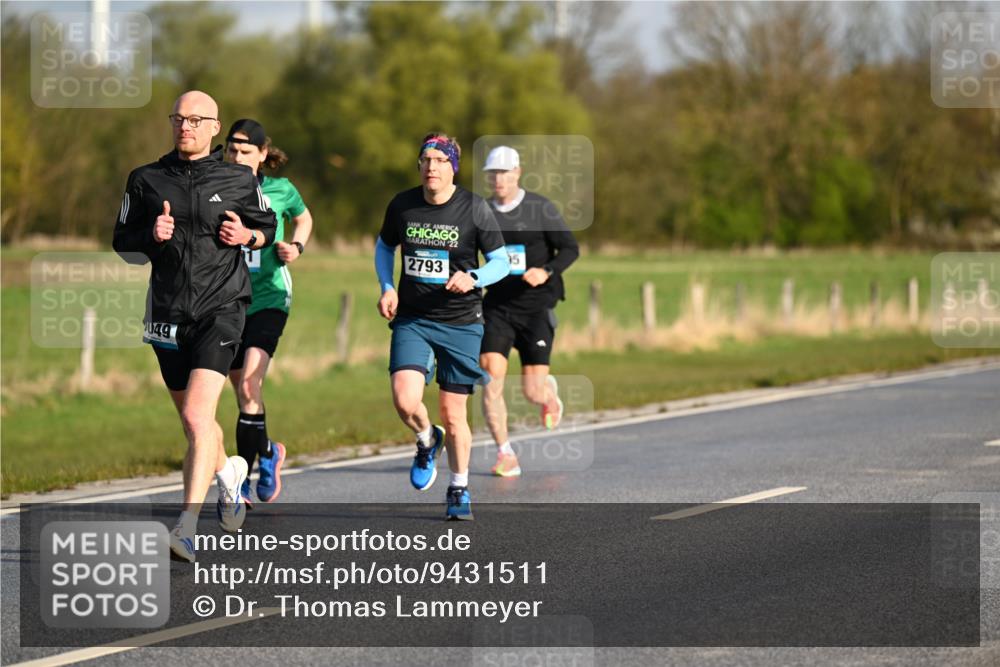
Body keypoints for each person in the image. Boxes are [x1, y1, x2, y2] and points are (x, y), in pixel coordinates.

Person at [113, 91, 277, 562]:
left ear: (213, 127)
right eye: (178, 119)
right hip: (167, 314)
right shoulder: (145, 179)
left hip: (222, 309)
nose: (185, 126)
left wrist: (248, 236)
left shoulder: (239, 178)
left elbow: (267, 228)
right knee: (196, 423)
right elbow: (122, 243)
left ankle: (185, 528)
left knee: (195, 417)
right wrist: (151, 237)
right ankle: (229, 474)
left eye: (195, 120)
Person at [375, 133, 510, 520]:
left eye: (440, 160)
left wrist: (474, 278)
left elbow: (501, 262)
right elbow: (384, 247)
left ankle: (459, 487)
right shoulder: (402, 205)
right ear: (419, 165)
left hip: (460, 322)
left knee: (453, 414)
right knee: (405, 400)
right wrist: (387, 286)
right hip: (413, 318)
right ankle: (425, 438)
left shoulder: (474, 208)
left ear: (453, 167)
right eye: (426, 160)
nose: (431, 167)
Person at [224, 119, 313, 508]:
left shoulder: (281, 189)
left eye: (246, 152)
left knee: (249, 386)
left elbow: (303, 218)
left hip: (269, 298)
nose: (237, 158)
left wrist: (296, 246)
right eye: (232, 150)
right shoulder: (214, 188)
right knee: (244, 394)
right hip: (225, 303)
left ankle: (242, 481)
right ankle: (269, 451)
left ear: (262, 154)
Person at [478, 146, 580, 477]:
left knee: (531, 390)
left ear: (518, 173)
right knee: (490, 373)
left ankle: (547, 396)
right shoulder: (481, 212)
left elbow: (570, 248)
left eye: (505, 172)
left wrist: (546, 271)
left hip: (536, 305)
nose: (499, 179)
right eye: (493, 173)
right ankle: (505, 453)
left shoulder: (539, 208)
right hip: (498, 305)